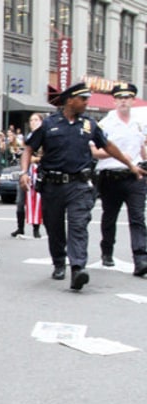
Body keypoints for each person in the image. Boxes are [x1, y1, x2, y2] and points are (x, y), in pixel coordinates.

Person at [20, 82, 144, 290]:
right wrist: (24, 172)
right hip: (52, 185)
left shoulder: (89, 124)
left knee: (78, 226)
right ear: (70, 100)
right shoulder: (49, 124)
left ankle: (78, 268)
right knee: (54, 226)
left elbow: (108, 146)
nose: (87, 103)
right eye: (83, 99)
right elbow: (28, 148)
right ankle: (59, 261)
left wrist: (130, 164)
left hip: (79, 185)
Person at [91, 82, 147, 276]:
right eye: (120, 98)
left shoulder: (139, 123)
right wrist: (117, 155)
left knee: (138, 218)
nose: (124, 101)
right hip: (111, 176)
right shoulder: (105, 124)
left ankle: (141, 259)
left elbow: (142, 147)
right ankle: (107, 251)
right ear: (114, 101)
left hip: (135, 176)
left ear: (133, 100)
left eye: (127, 98)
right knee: (110, 216)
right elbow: (95, 152)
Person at [11, 112, 43, 238]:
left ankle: (36, 228)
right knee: (20, 201)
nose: (33, 122)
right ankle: (20, 227)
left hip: (38, 171)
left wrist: (36, 159)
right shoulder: (27, 137)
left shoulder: (45, 135)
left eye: (36, 120)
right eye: (31, 120)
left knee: (37, 200)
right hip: (25, 170)